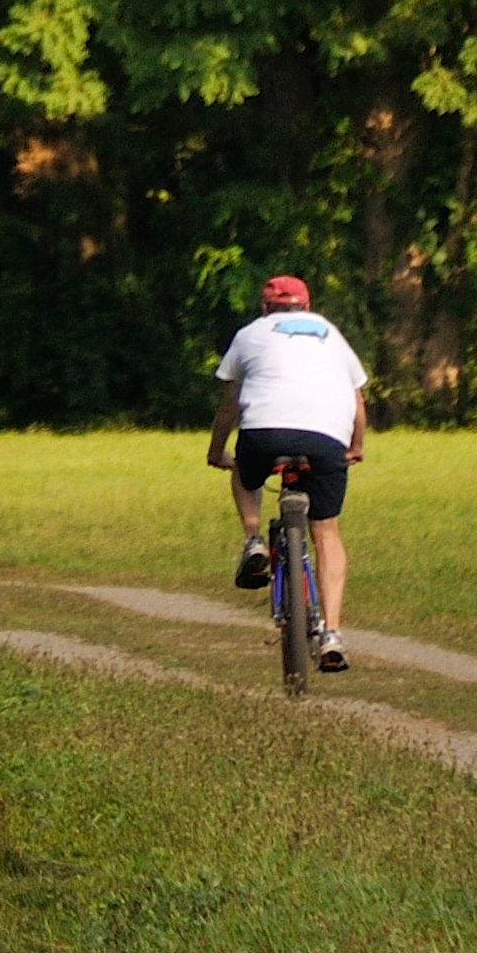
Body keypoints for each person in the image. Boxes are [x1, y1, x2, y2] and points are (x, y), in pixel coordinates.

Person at [205, 273, 366, 673]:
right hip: (327, 439)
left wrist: (215, 451)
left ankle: (254, 539)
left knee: (245, 470)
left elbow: (230, 406)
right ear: (307, 307)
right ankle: (332, 632)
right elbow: (357, 400)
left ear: (265, 308)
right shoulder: (330, 333)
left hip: (264, 434)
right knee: (326, 530)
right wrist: (356, 446)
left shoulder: (249, 335)